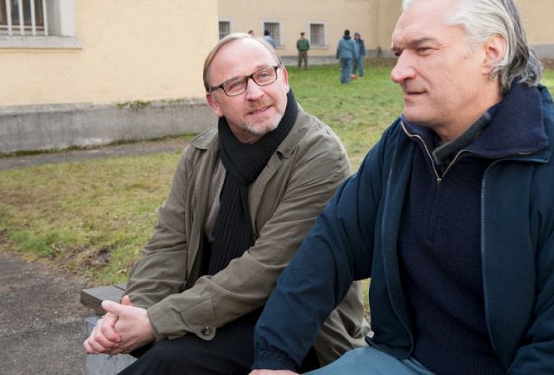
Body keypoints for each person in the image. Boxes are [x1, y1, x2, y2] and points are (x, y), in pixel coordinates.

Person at [250, 0, 554, 374]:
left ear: (491, 52)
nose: (398, 71)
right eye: (400, 52)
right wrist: (273, 356)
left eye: (423, 49)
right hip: (397, 360)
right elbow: (332, 246)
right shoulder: (402, 144)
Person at [83, 33, 369, 374]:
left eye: (265, 74)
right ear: (214, 102)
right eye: (235, 84)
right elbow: (168, 244)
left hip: (297, 329)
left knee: (168, 364)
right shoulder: (201, 154)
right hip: (211, 311)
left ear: (285, 79)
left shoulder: (320, 154)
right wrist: (133, 310)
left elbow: (267, 268)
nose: (255, 92)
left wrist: (157, 320)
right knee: (162, 356)